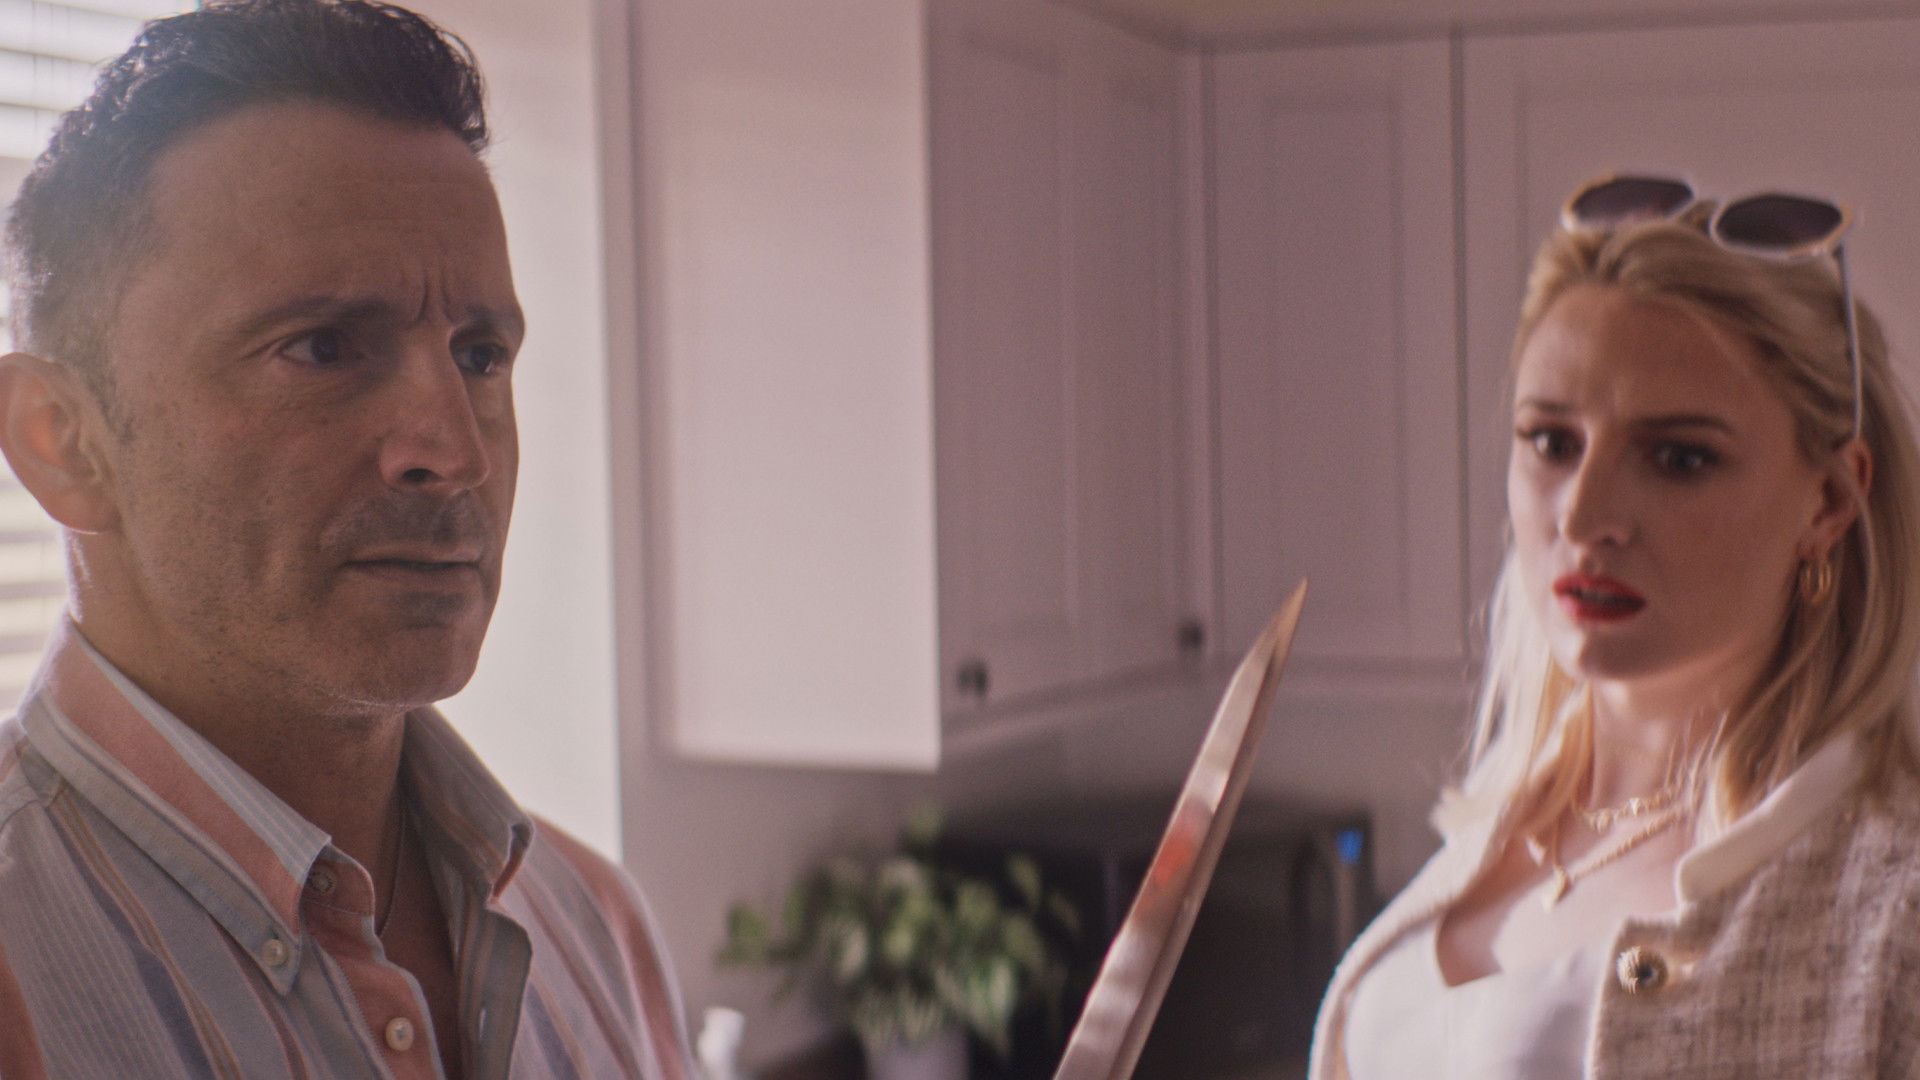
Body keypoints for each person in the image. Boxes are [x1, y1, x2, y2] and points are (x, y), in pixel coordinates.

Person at [0, 2, 694, 1077]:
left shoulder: (596, 926)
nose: (455, 452)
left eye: (479, 355)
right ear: (63, 443)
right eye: (324, 347)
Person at [1311, 175, 1920, 1078]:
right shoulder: (1497, 828)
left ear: (1829, 501)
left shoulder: (1894, 914)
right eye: (1552, 441)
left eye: (1678, 458)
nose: (1585, 515)